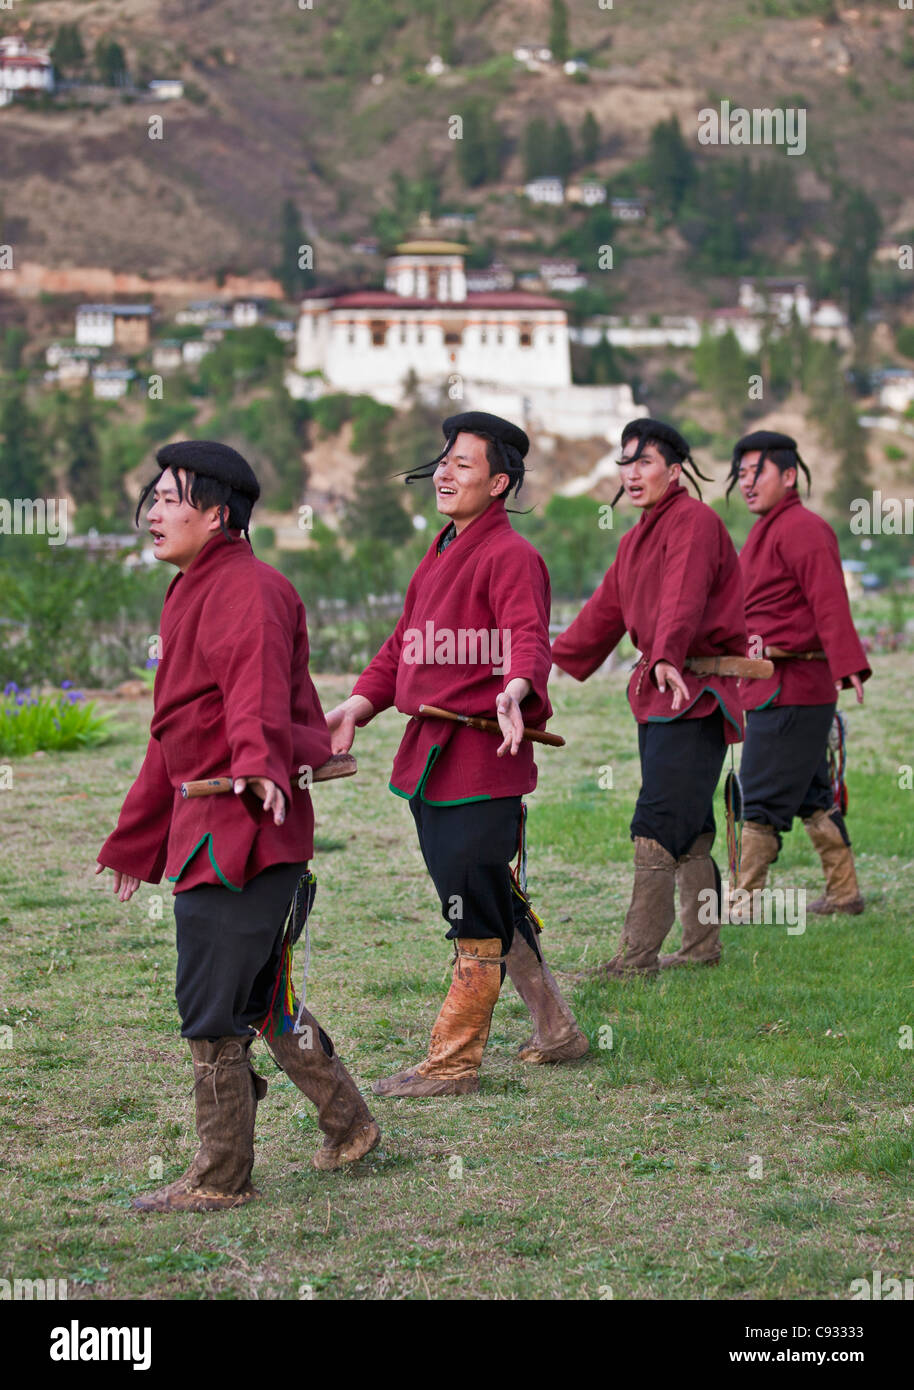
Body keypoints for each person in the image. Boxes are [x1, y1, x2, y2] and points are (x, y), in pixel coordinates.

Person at [96, 440, 379, 1212]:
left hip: (249, 828)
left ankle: (221, 1178)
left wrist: (256, 758)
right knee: (259, 993)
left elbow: (253, 685)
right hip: (214, 824)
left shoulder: (250, 589)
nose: (153, 512)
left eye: (170, 499)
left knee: (212, 1001)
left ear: (218, 514)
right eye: (150, 498)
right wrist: (135, 840)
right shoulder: (191, 587)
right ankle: (350, 1125)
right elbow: (174, 735)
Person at [325, 411, 588, 1098]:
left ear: (499, 483)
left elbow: (529, 637)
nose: (444, 472)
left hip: (481, 756)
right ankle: (556, 1030)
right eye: (443, 460)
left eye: (463, 464)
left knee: (471, 907)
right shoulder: (442, 548)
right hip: (430, 758)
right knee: (487, 894)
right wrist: (358, 705)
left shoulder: (513, 556)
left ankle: (452, 1062)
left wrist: (516, 688)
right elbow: (401, 646)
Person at [551, 418, 747, 976]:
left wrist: (664, 653)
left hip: (696, 691)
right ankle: (703, 948)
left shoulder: (696, 522)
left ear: (674, 470)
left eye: (644, 462)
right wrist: (548, 662)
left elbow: (684, 595)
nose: (631, 473)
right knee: (689, 822)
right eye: (626, 462)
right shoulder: (635, 537)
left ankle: (636, 960)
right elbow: (604, 612)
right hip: (661, 694)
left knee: (658, 820)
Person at [729, 430, 870, 916]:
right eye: (741, 475)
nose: (746, 483)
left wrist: (849, 665)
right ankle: (845, 893)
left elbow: (829, 601)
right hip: (773, 686)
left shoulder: (804, 528)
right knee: (812, 794)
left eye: (756, 473)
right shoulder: (767, 529)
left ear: (789, 476)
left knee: (761, 795)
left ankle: (743, 906)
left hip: (794, 689)